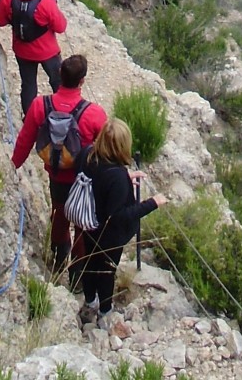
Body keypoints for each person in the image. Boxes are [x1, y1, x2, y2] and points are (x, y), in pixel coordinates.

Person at [11, 54, 107, 282]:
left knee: (59, 217)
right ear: (82, 81)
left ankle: (57, 261)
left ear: (59, 76)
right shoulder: (94, 114)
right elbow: (106, 151)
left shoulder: (39, 105)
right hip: (83, 181)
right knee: (83, 225)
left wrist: (13, 166)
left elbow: (25, 140)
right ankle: (77, 277)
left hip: (57, 176)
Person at [76, 118, 167, 328]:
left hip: (87, 223)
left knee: (89, 263)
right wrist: (152, 203)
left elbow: (98, 180)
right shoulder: (116, 176)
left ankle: (90, 302)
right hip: (108, 235)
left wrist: (126, 178)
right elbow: (119, 215)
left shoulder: (87, 154)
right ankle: (105, 312)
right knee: (107, 270)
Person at [0, 0, 68, 114]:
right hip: (46, 51)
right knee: (58, 82)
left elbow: (0, 21)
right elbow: (61, 27)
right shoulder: (46, 1)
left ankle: (29, 119)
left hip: (22, 50)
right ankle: (63, 114)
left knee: (28, 85)